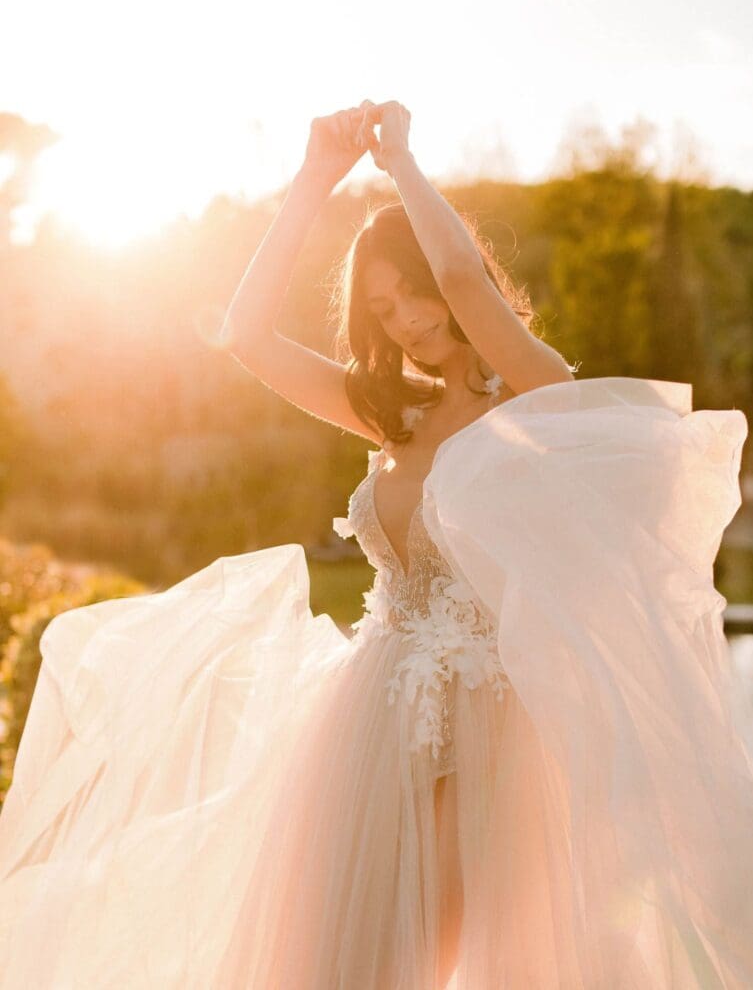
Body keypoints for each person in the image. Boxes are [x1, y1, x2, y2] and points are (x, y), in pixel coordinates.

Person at [0, 100, 751, 990]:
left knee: (430, 959)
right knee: (336, 962)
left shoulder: (538, 398)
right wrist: (315, 176)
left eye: (411, 293)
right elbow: (243, 334)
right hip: (367, 715)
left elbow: (468, 282)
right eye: (381, 308)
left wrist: (398, 162)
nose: (403, 320)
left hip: (493, 726)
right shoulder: (394, 413)